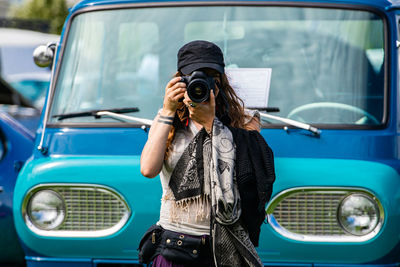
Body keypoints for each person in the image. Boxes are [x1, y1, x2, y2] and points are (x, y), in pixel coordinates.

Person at [140, 40, 275, 267]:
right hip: (174, 246)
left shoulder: (245, 120)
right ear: (179, 79)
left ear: (221, 80)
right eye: (194, 75)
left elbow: (253, 176)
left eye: (211, 75)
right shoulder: (167, 120)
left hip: (223, 249)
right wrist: (168, 109)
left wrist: (212, 124)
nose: (202, 83)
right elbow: (148, 169)